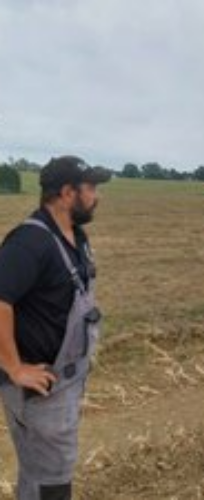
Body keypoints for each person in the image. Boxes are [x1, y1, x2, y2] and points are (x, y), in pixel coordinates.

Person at [0, 156, 110, 500]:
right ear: (66, 193)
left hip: (65, 383)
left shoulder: (77, 237)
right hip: (39, 390)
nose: (96, 196)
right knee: (51, 482)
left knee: (41, 472)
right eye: (90, 188)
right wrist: (14, 368)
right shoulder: (29, 243)